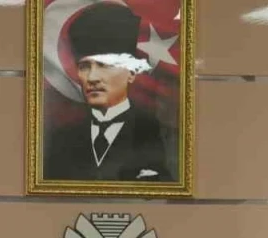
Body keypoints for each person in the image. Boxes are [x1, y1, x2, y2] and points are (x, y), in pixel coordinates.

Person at [43, 2, 173, 183]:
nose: (92, 77)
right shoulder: (62, 138)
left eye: (105, 65)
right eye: (84, 66)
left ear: (131, 72)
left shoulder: (157, 132)